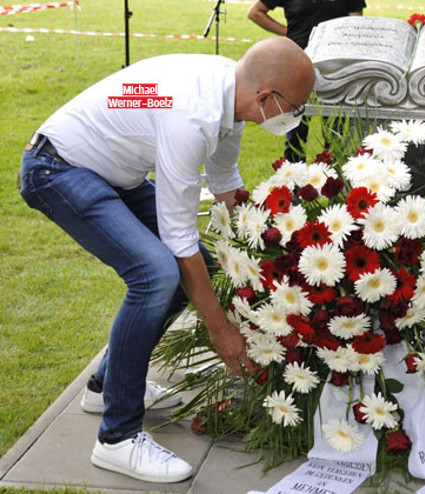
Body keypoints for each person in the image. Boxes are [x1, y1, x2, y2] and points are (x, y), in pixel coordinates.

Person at [18, 37, 315, 483]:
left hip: (108, 171)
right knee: (156, 274)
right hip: (57, 168)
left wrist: (269, 249)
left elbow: (224, 181)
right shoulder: (192, 117)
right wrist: (221, 330)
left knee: (199, 273)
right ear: (266, 97)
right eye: (294, 107)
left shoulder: (230, 93)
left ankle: (106, 386)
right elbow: (179, 239)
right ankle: (116, 439)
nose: (295, 116)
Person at [248, 0, 365, 162]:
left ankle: (333, 173)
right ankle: (294, 173)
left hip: (334, 67)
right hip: (297, 63)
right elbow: (255, 12)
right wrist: (288, 33)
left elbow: (356, 25)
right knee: (296, 129)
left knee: (334, 131)